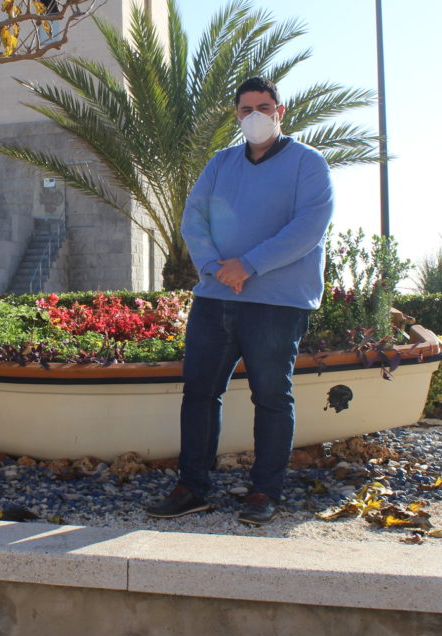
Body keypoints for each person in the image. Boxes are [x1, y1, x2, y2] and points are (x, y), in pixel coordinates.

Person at [146, 77, 334, 525]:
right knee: (199, 393)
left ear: (280, 111)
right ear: (236, 114)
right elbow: (194, 217)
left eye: (264, 107)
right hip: (215, 298)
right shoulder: (220, 163)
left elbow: (310, 225)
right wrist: (215, 267)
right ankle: (192, 487)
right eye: (246, 109)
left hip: (278, 303)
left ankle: (264, 492)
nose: (255, 116)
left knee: (271, 396)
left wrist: (248, 264)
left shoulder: (309, 164)